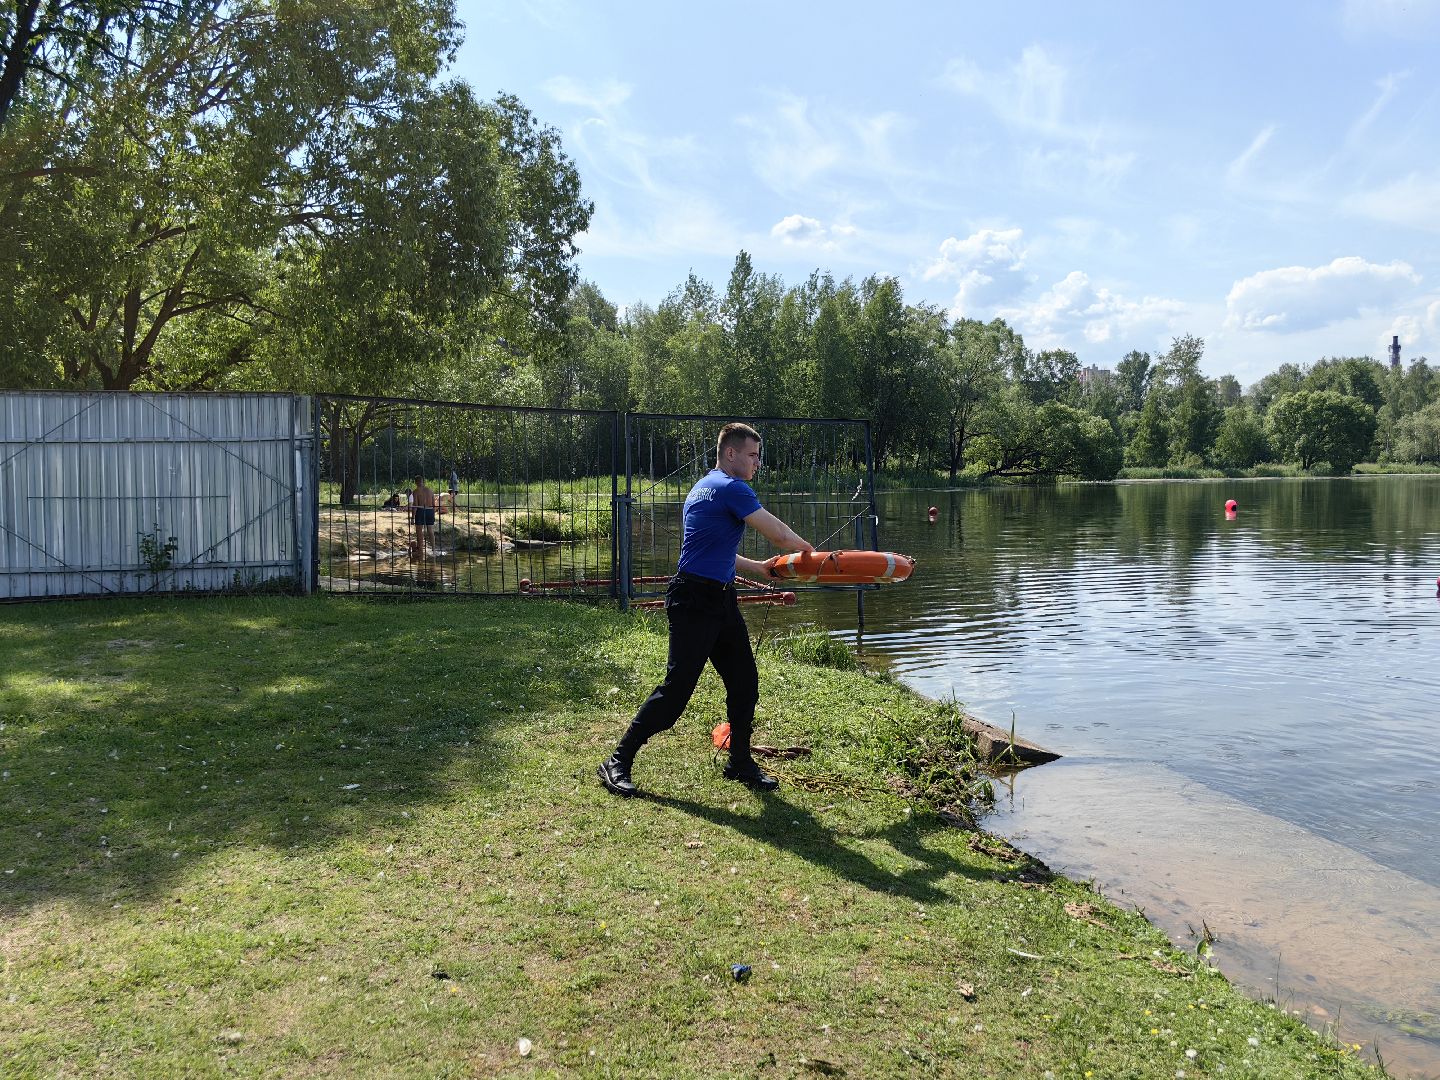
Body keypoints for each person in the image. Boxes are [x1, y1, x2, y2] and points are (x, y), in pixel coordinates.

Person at [598, 422, 814, 797]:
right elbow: (779, 534)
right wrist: (813, 555)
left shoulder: (703, 487)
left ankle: (739, 761)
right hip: (694, 600)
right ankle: (617, 760)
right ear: (730, 453)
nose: (757, 463)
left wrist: (757, 567)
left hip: (719, 598)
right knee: (676, 692)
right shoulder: (732, 488)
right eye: (752, 455)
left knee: (744, 682)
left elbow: (713, 549)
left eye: (758, 456)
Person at [411, 475, 437, 557]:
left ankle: (420, 550)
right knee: (430, 531)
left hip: (421, 510)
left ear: (416, 482)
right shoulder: (430, 490)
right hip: (430, 511)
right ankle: (434, 550)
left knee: (419, 531)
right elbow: (434, 504)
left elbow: (415, 505)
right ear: (423, 482)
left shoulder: (416, 491)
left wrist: (412, 517)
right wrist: (433, 514)